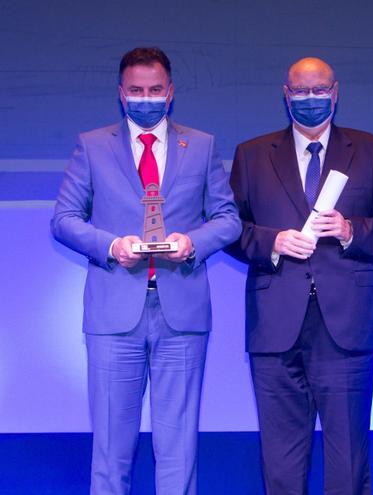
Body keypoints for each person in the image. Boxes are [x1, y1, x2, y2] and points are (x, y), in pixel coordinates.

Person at [51, 47, 241, 494]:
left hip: (182, 312)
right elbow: (64, 219)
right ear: (121, 93)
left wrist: (192, 242)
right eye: (136, 90)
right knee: (111, 448)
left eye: (155, 90)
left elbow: (228, 219)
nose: (146, 98)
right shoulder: (92, 145)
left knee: (179, 447)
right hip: (114, 314)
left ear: (170, 92)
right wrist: (111, 245)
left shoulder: (202, 144)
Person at [226, 57, 373, 495]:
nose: (311, 100)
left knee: (347, 458)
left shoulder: (371, 149)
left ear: (336, 91)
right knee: (281, 461)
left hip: (347, 324)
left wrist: (352, 230)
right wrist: (272, 242)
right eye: (300, 91)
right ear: (285, 94)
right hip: (275, 325)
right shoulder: (252, 154)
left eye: (319, 90)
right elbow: (231, 230)